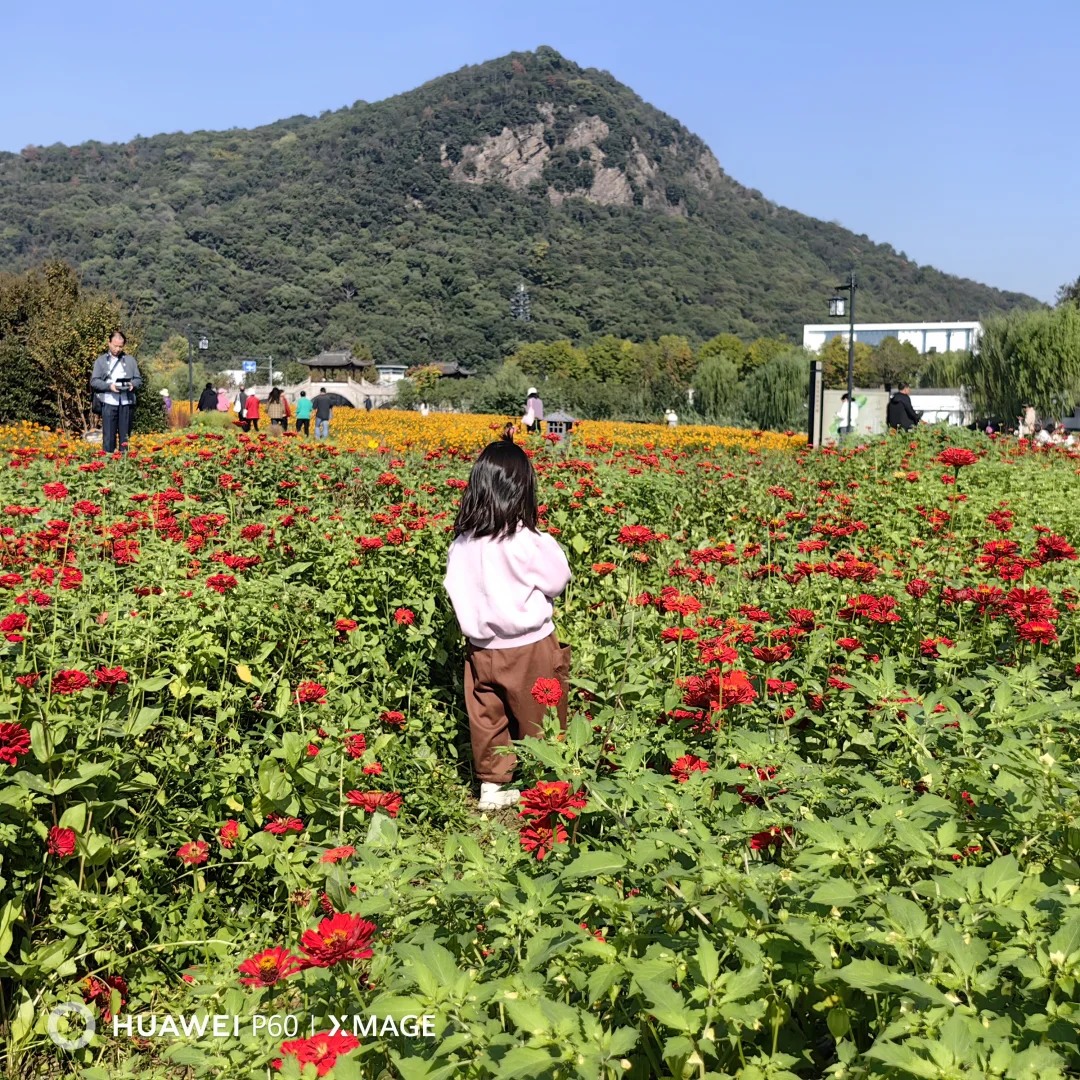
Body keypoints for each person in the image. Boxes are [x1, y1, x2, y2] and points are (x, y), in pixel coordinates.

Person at [443, 425, 572, 810]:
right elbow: (559, 579)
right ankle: (548, 781)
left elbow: (454, 587)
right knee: (542, 715)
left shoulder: (462, 543)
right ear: (523, 491)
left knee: (488, 717)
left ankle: (493, 787)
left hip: (481, 649)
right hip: (530, 646)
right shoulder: (529, 541)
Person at [90, 330, 143, 454]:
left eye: (120, 346)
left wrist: (132, 384)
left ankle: (125, 461)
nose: (118, 349)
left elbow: (138, 379)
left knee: (125, 438)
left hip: (126, 403)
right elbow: (94, 381)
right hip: (109, 402)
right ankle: (108, 462)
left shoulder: (130, 360)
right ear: (109, 343)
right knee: (109, 437)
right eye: (115, 346)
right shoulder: (100, 361)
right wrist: (109, 386)